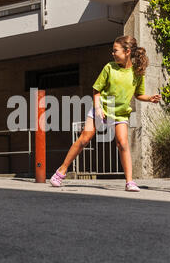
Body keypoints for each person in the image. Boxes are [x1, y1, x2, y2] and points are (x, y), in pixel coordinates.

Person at [50, 35, 161, 191]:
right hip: (100, 108)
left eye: (115, 50)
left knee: (122, 143)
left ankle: (130, 182)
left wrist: (150, 98)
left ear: (127, 51)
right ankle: (60, 171)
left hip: (120, 113)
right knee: (84, 139)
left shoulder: (137, 73)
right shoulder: (109, 67)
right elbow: (97, 89)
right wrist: (97, 108)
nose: (112, 53)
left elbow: (138, 94)